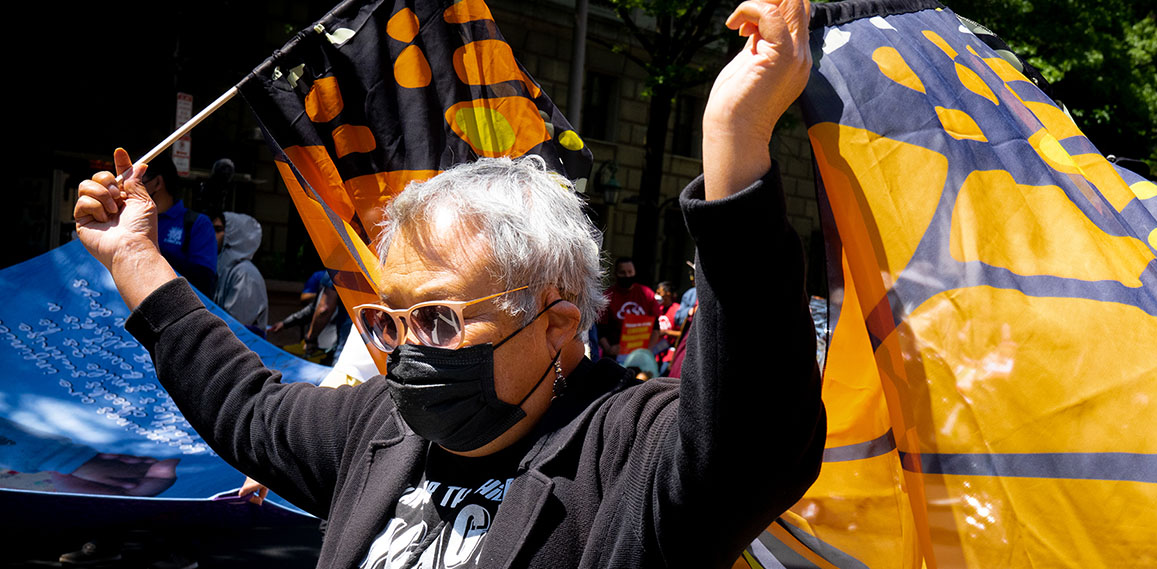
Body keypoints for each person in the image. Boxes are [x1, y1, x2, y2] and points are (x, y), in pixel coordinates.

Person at [72, 1, 819, 567]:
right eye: (388, 321)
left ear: (556, 323)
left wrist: (735, 140)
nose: (404, 353)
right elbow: (245, 404)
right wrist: (133, 257)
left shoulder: (627, 449)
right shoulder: (379, 429)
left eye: (436, 318)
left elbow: (752, 439)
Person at [139, 156, 218, 297]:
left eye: (139, 182)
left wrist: (151, 250)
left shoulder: (198, 223)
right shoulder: (134, 220)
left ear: (157, 182)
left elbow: (204, 280)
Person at [212, 211, 269, 336]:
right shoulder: (224, 269)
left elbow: (234, 326)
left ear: (235, 236)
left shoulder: (245, 274)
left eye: (218, 229)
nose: (211, 234)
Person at [596, 257, 659, 359]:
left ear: (635, 272)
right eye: (623, 272)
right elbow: (600, 329)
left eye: (630, 272)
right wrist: (608, 348)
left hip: (641, 354)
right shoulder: (607, 296)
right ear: (616, 274)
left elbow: (656, 328)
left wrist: (648, 351)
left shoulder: (647, 294)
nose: (627, 276)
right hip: (616, 356)